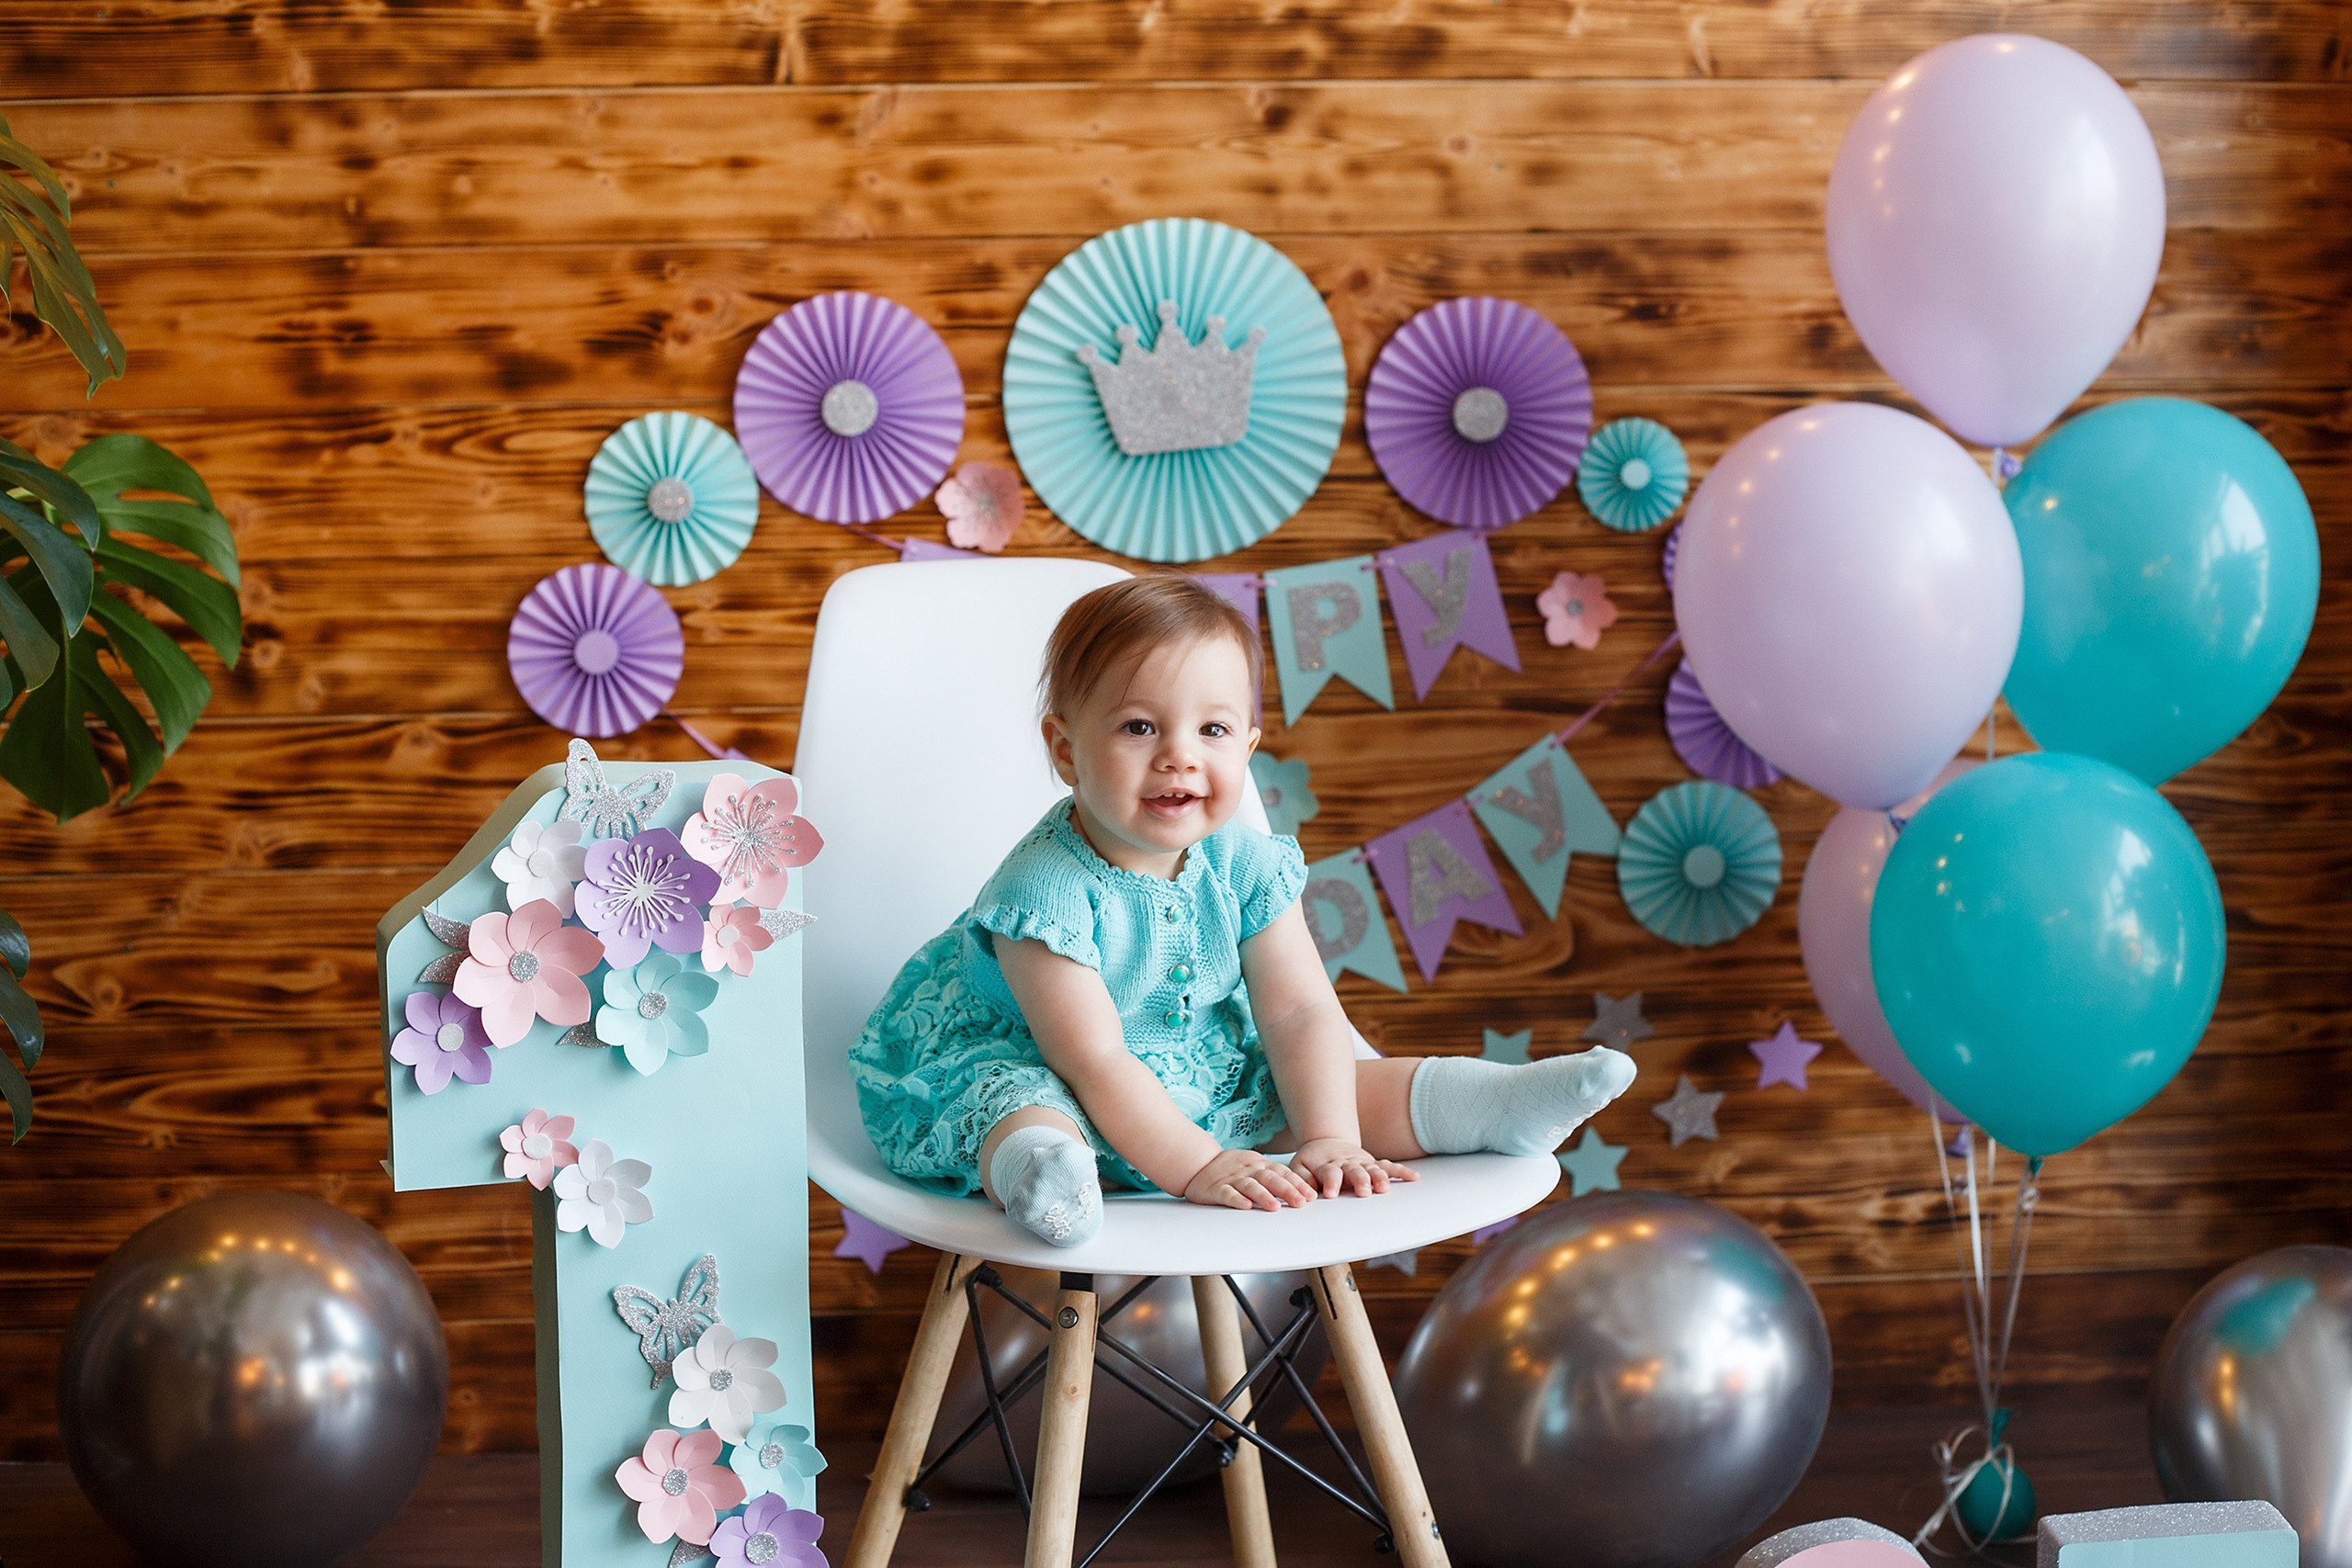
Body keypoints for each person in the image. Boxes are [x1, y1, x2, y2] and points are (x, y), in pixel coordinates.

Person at [851, 574, 1634, 1247]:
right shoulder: (1042, 894)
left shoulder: (1246, 862)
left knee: (1325, 1089)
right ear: (1066, 749)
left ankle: (1490, 1106)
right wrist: (1197, 1167)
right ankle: (1047, 1179)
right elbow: (1093, 1059)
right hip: (1050, 1065)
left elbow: (1296, 1012)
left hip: (1191, 1065)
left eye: (1212, 729)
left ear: (1247, 747)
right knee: (1019, 1105)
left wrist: (1329, 1138)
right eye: (1138, 726)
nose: (1179, 755)